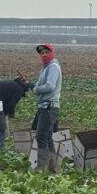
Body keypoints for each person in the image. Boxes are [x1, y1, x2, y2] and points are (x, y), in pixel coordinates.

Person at [32, 43, 63, 172]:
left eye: (46, 52)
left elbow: (49, 86)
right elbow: (38, 85)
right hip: (44, 107)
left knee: (41, 136)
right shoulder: (45, 69)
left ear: (51, 53)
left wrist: (36, 89)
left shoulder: (53, 67)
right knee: (47, 137)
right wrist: (32, 86)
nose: (44, 54)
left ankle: (41, 168)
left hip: (49, 107)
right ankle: (54, 169)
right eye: (42, 53)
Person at [0, 75, 33, 151]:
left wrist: (4, 113)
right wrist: (11, 114)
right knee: (0, 133)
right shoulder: (19, 89)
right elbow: (11, 105)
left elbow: (4, 100)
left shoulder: (9, 83)